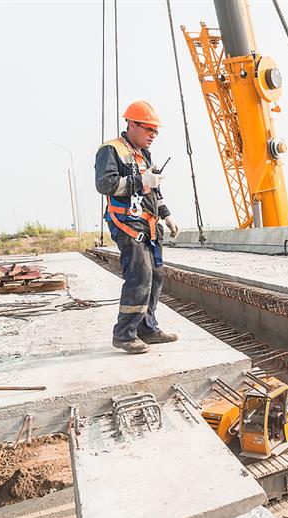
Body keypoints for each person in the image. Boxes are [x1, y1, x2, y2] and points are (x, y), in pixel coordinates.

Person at [95, 101, 180, 354]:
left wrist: (166, 214)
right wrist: (140, 180)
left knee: (155, 274)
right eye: (148, 129)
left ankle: (147, 328)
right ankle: (124, 334)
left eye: (156, 132)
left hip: (149, 223)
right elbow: (105, 184)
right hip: (127, 223)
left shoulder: (144, 154)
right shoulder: (111, 150)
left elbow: (153, 189)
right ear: (131, 124)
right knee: (140, 276)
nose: (153, 135)